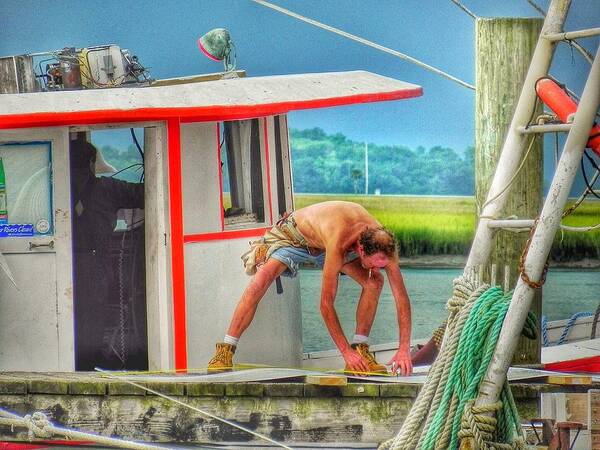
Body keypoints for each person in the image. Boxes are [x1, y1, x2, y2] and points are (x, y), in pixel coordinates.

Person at [208, 200, 413, 376]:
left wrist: (404, 348)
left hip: (323, 242)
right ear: (360, 249)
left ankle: (360, 348)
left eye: (382, 264)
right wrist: (344, 352)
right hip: (295, 237)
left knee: (374, 281)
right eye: (374, 263)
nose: (378, 268)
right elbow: (325, 304)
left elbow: (401, 298)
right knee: (262, 278)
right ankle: (225, 350)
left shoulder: (385, 246)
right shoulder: (338, 239)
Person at [70, 139, 144, 371]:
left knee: (74, 319)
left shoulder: (56, 186)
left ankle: (76, 364)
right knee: (95, 318)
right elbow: (142, 193)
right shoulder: (107, 188)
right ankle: (90, 365)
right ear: (92, 162)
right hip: (96, 265)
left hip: (68, 263)